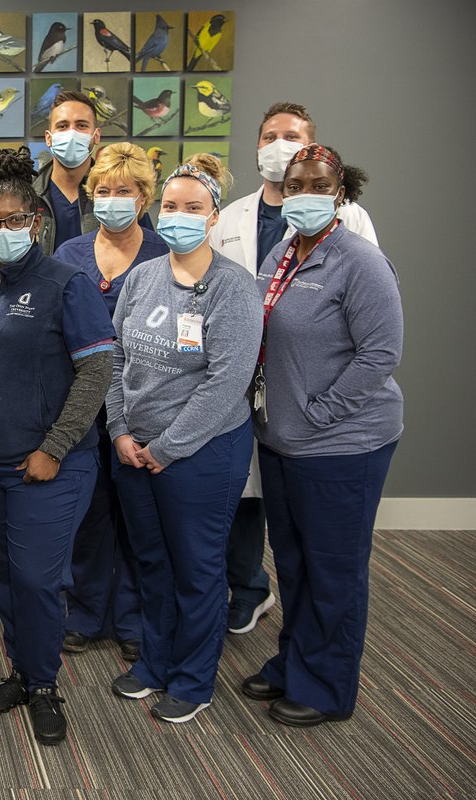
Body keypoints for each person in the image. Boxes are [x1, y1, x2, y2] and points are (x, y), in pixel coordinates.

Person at [0, 147, 114, 745]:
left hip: (46, 467)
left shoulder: (66, 284)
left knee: (38, 580)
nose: (1, 231)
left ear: (37, 222)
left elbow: (97, 373)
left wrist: (56, 445)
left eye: (13, 221)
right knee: (2, 578)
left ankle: (44, 683)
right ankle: (21, 671)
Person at [241, 144, 401, 728]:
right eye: (294, 184)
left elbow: (381, 352)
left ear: (340, 192)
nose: (304, 194)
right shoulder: (283, 253)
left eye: (317, 184)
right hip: (283, 438)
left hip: (342, 444)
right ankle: (294, 663)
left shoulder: (359, 261)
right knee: (295, 563)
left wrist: (320, 412)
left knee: (333, 568)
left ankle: (328, 687)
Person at [209, 102, 379, 637]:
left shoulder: (351, 232)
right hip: (254, 395)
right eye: (269, 136)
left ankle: (318, 667)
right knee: (258, 513)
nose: (279, 145)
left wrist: (323, 408)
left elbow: (373, 339)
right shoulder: (248, 227)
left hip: (320, 413)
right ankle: (255, 598)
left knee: (323, 551)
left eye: (292, 136)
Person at [106, 155, 262, 724]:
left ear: (214, 216)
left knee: (197, 570)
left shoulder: (233, 288)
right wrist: (120, 431)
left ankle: (193, 680)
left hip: (201, 453)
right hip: (133, 448)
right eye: (170, 207)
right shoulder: (143, 278)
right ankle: (155, 662)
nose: (179, 217)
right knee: (151, 562)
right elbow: (117, 355)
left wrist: (167, 448)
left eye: (193, 208)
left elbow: (228, 383)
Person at [52, 143, 168, 662]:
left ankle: (133, 619)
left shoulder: (164, 253)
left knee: (139, 520)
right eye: (104, 190)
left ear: (143, 198)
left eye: (125, 191)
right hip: (80, 406)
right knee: (88, 515)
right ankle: (83, 613)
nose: (113, 199)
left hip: (142, 405)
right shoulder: (70, 254)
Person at [33, 91, 152, 255]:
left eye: (81, 125)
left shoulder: (122, 195)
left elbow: (149, 253)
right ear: (48, 138)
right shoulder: (29, 195)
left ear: (96, 136)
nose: (71, 133)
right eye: (62, 126)